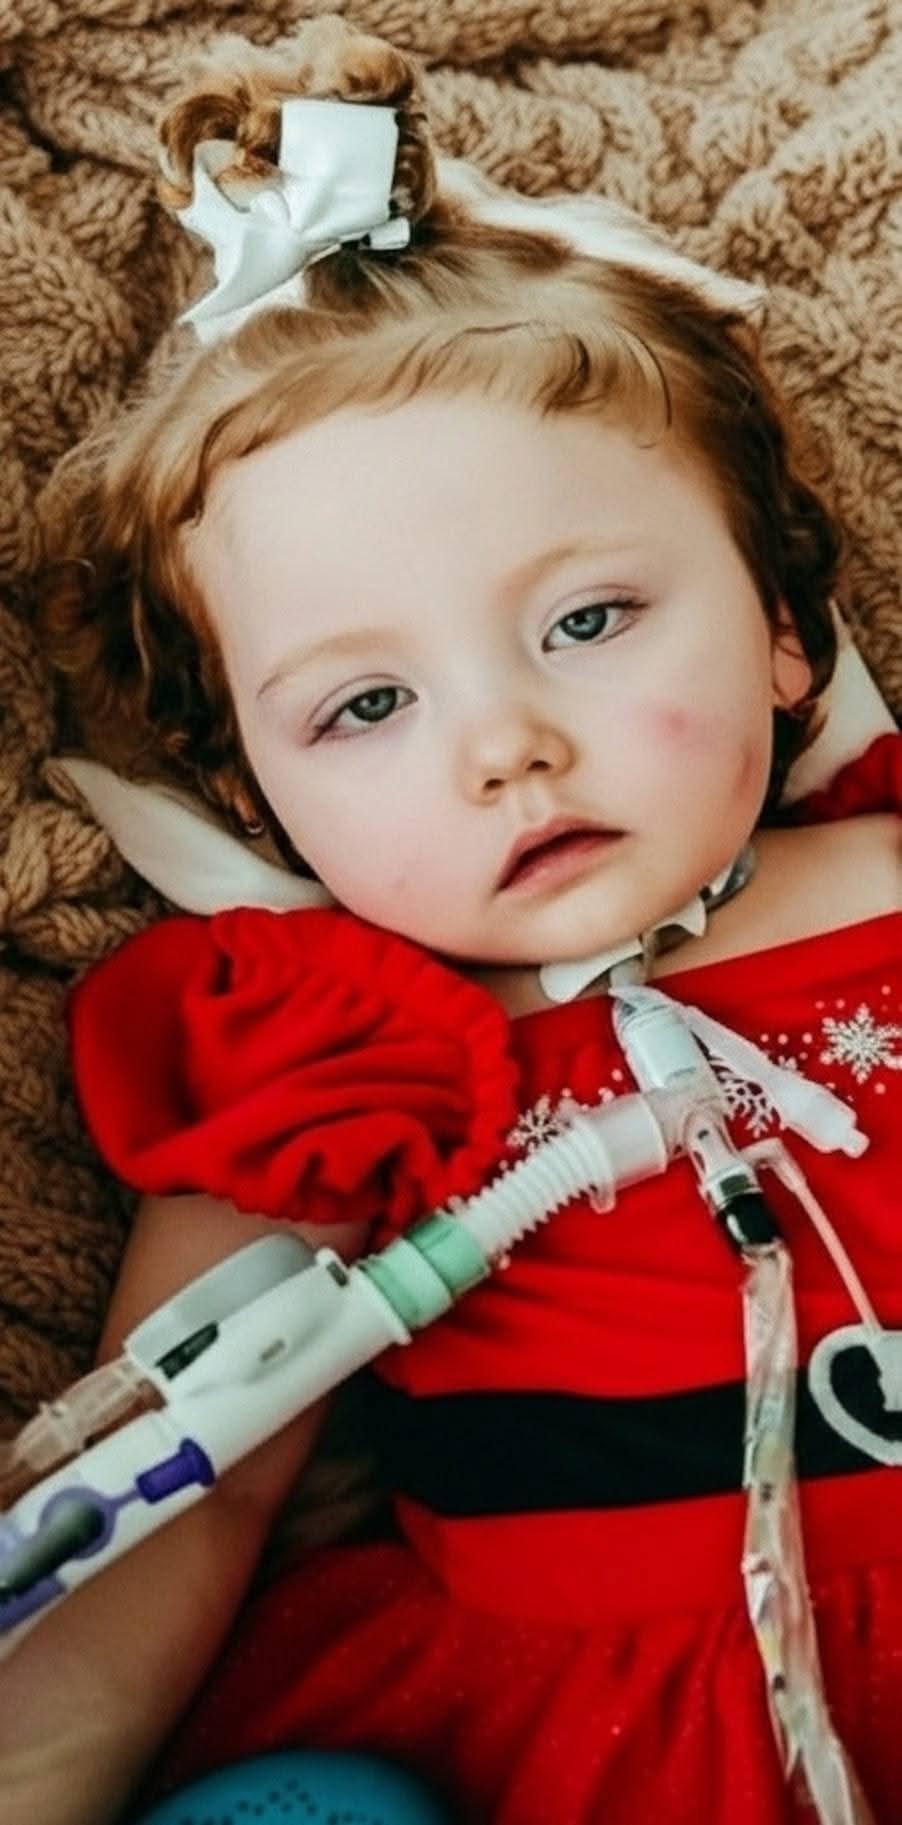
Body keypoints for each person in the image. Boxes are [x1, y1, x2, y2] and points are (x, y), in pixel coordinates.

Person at [4, 15, 900, 1825]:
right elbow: (186, 1494)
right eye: (363, 706)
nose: (504, 743)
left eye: (584, 620)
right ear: (263, 804)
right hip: (572, 1735)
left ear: (784, 630)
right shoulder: (321, 1053)